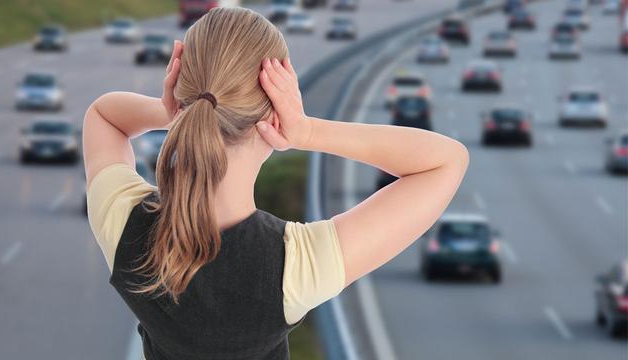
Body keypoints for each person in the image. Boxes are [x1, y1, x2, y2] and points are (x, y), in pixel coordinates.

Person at [83, 7, 468, 360]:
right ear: (274, 112)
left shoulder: (125, 229)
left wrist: (172, 112)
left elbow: (103, 116)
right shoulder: (292, 268)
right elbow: (445, 161)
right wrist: (308, 131)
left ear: (180, 94)